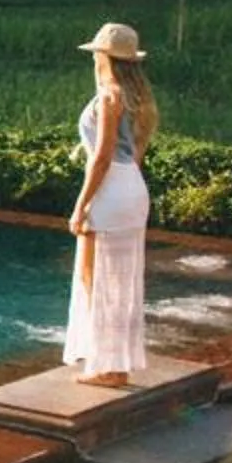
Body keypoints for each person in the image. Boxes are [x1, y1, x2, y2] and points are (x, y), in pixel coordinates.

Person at [63, 22, 158, 386]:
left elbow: (101, 157)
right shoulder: (137, 97)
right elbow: (134, 152)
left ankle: (110, 369)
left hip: (111, 188)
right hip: (132, 186)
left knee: (95, 278)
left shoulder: (109, 96)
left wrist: (81, 205)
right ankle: (115, 363)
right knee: (120, 279)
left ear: (103, 56)